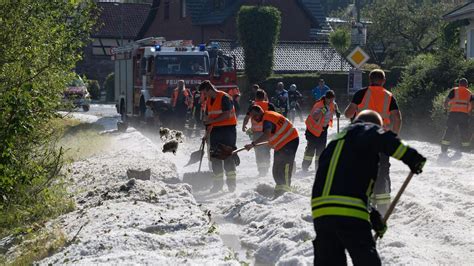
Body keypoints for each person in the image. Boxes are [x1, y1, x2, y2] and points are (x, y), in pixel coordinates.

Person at [311, 110, 426, 266]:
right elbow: (385, 137)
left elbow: (342, 186)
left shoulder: (335, 142)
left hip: (321, 213)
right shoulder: (366, 128)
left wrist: (372, 216)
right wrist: (412, 157)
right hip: (348, 212)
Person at [343, 69, 402, 216]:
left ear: (369, 80)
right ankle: (383, 208)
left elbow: (348, 114)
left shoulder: (361, 94)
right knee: (382, 171)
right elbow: (397, 118)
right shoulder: (389, 96)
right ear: (383, 80)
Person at [244, 106, 299, 198]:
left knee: (284, 168)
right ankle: (279, 191)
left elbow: (266, 135)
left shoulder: (267, 119)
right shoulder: (267, 117)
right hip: (282, 144)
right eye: (252, 117)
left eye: (255, 116)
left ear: (260, 112)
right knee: (276, 170)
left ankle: (286, 193)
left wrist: (252, 144)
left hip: (290, 141)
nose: (254, 118)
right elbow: (273, 134)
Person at [199, 80, 238, 193]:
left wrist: (212, 121)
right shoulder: (209, 101)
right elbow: (208, 119)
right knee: (215, 157)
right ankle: (217, 185)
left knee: (227, 157)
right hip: (215, 131)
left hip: (228, 130)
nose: (204, 95)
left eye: (204, 93)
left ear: (209, 89)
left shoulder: (225, 97)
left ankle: (231, 186)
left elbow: (227, 114)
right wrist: (206, 134)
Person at [302, 90, 340, 172]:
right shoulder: (318, 105)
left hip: (323, 130)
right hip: (312, 130)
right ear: (326, 98)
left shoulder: (332, 103)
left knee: (321, 149)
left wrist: (337, 111)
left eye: (332, 100)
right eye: (329, 100)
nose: (331, 101)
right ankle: (305, 166)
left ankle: (318, 167)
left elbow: (335, 106)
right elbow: (315, 116)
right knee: (311, 149)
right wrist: (323, 110)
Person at [242, 89, 276, 176]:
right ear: (264, 96)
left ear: (256, 97)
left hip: (256, 132)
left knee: (258, 152)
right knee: (266, 150)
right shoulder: (269, 105)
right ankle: (266, 169)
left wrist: (244, 125)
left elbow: (247, 117)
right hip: (267, 132)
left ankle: (261, 171)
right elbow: (275, 117)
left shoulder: (253, 105)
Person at [441, 78, 473, 153]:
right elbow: (472, 105)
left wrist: (445, 109)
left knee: (449, 130)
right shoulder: (470, 93)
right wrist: (469, 112)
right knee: (464, 131)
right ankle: (465, 149)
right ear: (467, 85)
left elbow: (446, 101)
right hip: (464, 115)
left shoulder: (454, 90)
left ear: (459, 84)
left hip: (453, 114)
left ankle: (444, 149)